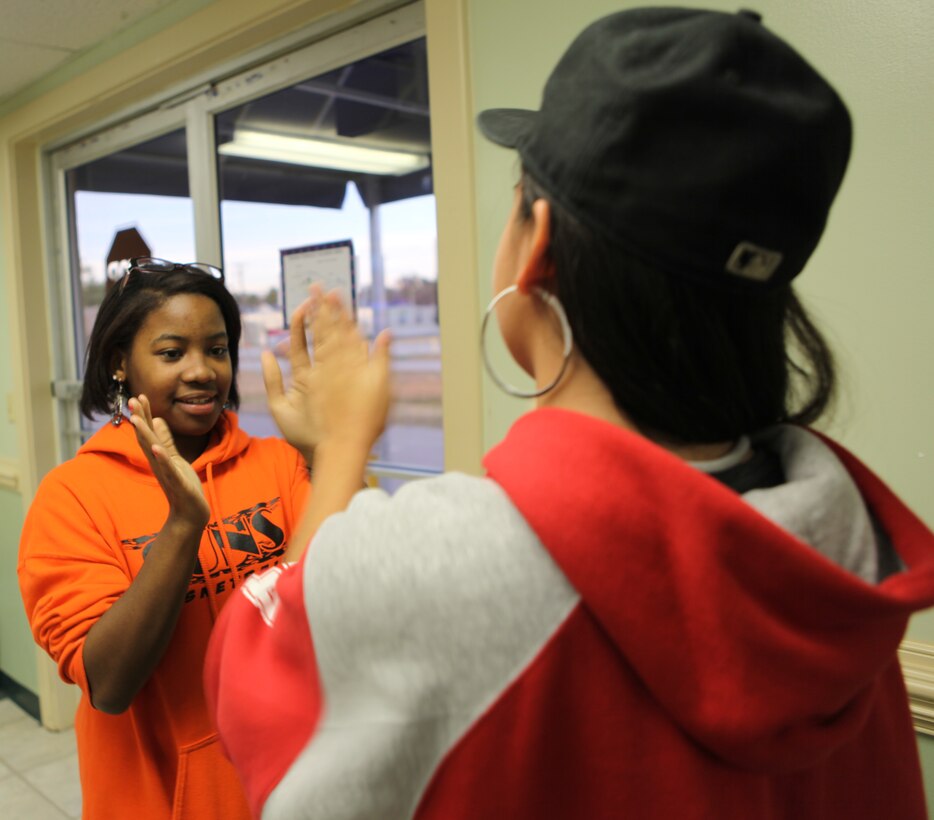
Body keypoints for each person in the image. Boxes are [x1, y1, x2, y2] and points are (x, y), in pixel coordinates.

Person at [205, 8, 934, 820]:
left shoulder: (435, 569)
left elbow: (245, 675)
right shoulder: (842, 562)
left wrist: (340, 443)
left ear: (537, 245)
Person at [18, 257, 318, 819]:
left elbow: (348, 602)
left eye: (217, 349)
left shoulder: (278, 463)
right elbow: (108, 683)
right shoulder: (72, 497)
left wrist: (327, 451)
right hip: (160, 802)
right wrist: (183, 525)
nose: (202, 370)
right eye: (172, 352)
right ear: (119, 364)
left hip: (289, 785)